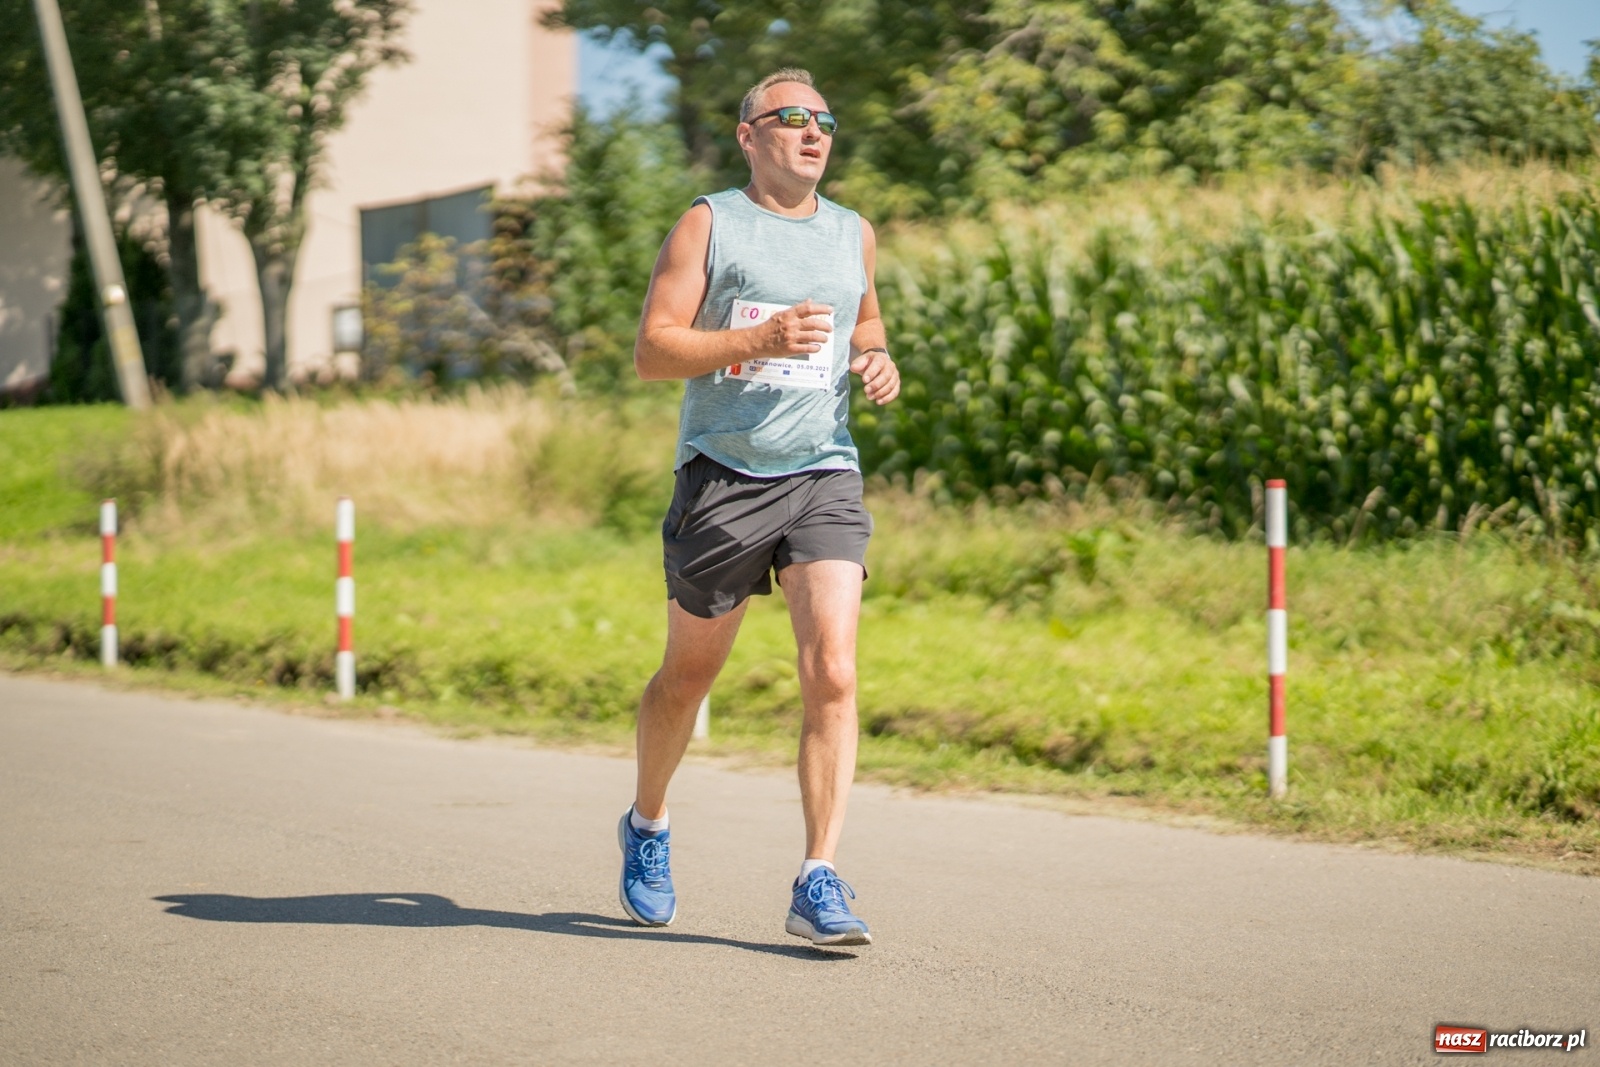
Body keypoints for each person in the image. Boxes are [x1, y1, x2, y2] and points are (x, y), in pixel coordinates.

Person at [617, 68, 900, 947]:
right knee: (688, 678)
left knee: (836, 672)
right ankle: (648, 824)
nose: (814, 132)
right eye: (792, 119)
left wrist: (877, 359)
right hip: (724, 477)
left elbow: (865, 323)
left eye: (825, 119)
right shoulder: (710, 221)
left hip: (824, 472)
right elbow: (654, 352)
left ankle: (818, 873)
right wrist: (757, 339)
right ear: (750, 135)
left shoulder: (854, 233)